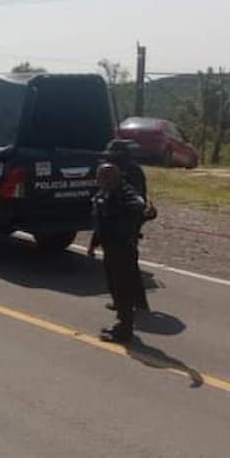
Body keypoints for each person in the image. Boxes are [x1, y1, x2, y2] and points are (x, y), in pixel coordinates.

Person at [88, 162, 146, 343]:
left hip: (123, 248)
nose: (97, 180)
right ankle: (121, 321)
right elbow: (100, 221)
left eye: (101, 176)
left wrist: (146, 214)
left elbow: (138, 206)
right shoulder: (103, 193)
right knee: (114, 286)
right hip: (109, 246)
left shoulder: (125, 193)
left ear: (111, 178)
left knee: (123, 288)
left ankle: (124, 328)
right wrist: (93, 244)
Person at [105, 138, 156, 311]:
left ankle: (130, 303)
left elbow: (136, 201)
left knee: (123, 265)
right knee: (120, 264)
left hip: (127, 222)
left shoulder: (129, 172)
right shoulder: (114, 171)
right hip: (116, 222)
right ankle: (130, 301)